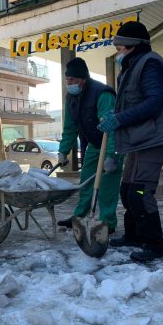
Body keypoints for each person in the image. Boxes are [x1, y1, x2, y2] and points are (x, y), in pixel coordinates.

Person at [98, 21, 163, 263]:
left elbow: (153, 102)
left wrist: (119, 119)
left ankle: (153, 244)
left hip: (155, 138)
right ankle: (134, 235)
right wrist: (113, 117)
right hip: (141, 138)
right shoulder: (132, 66)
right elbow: (131, 103)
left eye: (120, 47)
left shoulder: (150, 63)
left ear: (133, 45)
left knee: (140, 191)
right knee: (127, 190)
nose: (118, 51)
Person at [56, 57, 123, 234]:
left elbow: (112, 127)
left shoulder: (102, 93)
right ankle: (78, 218)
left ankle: (107, 223)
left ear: (82, 79)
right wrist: (63, 151)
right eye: (67, 80)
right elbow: (69, 128)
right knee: (86, 181)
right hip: (95, 144)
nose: (68, 83)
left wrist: (111, 156)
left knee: (107, 184)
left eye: (72, 80)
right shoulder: (71, 97)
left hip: (111, 142)